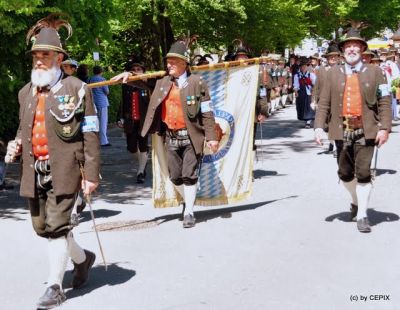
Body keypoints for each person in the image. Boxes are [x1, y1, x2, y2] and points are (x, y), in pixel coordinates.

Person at [5, 16, 99, 308]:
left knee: (57, 227)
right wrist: (16, 144)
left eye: (45, 55)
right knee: (43, 228)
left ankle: (54, 287)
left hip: (68, 169)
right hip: (34, 171)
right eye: (36, 55)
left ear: (59, 57)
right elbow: (25, 128)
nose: (39, 60)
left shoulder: (78, 89)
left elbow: (91, 133)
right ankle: (82, 261)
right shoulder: (26, 92)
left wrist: (92, 175)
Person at [314, 26, 391, 233]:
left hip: (367, 130)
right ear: (343, 50)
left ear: (362, 49)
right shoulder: (333, 73)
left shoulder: (376, 72)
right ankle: (356, 200)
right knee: (345, 173)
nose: (352, 49)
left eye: (356, 45)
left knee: (364, 172)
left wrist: (385, 128)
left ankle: (363, 215)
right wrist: (319, 127)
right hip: (341, 130)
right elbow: (324, 103)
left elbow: (384, 101)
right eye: (348, 46)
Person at [141, 40, 219, 228]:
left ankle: (189, 212)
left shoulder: (197, 83)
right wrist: (129, 76)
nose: (169, 65)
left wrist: (212, 138)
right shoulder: (162, 82)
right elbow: (141, 81)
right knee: (175, 176)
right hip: (170, 137)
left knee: (188, 175)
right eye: (168, 62)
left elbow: (207, 113)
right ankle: (189, 198)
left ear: (184, 63)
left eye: (173, 62)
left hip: (192, 137)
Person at [114, 58, 153, 183]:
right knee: (131, 147)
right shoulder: (127, 85)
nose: (136, 72)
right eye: (133, 70)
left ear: (143, 71)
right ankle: (143, 162)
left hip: (144, 121)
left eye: (138, 69)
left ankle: (140, 171)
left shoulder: (148, 86)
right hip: (130, 120)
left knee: (143, 145)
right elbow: (123, 102)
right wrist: (119, 117)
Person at [88, 65, 111, 146]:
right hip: (102, 102)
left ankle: (95, 140)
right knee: (103, 122)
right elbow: (107, 92)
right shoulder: (102, 80)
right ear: (101, 71)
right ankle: (103, 141)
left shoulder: (90, 79)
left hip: (93, 102)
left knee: (94, 122)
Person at [293, 57, 316, 128]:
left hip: (309, 92)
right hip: (301, 93)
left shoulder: (311, 75)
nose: (303, 68)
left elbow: (315, 83)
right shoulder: (297, 75)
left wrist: (314, 91)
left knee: (309, 107)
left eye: (305, 66)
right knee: (302, 107)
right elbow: (296, 84)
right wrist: (296, 91)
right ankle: (305, 119)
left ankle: (308, 121)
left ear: (307, 67)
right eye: (302, 66)